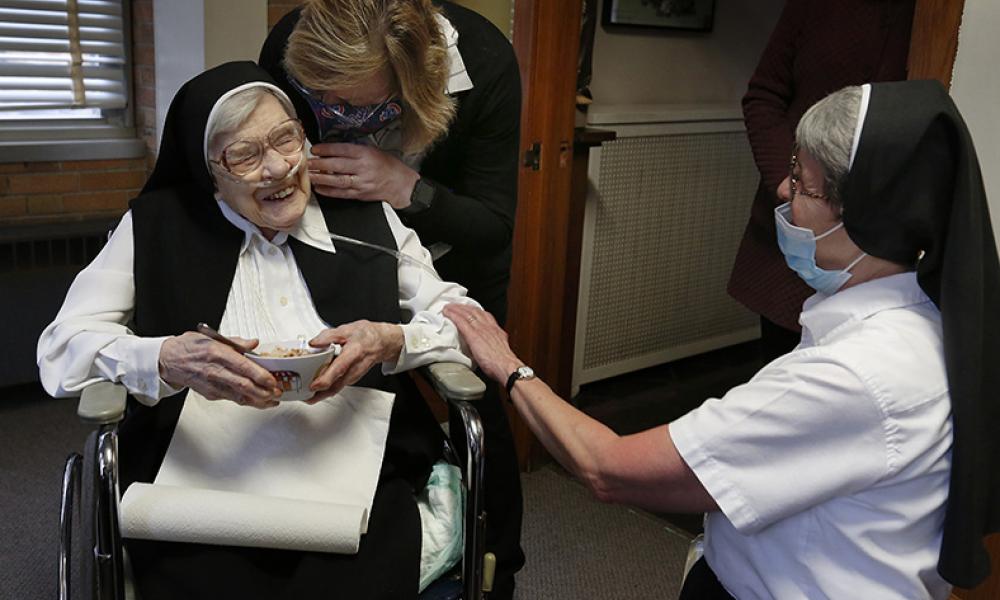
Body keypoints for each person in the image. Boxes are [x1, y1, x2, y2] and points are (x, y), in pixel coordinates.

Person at [444, 81, 1000, 598]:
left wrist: (507, 365)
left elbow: (607, 467)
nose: (784, 190)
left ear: (869, 217)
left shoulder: (855, 374)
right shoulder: (923, 317)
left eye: (802, 184)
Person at [37, 61, 481, 600]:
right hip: (202, 472)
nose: (278, 168)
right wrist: (165, 358)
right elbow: (60, 350)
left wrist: (394, 340)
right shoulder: (156, 226)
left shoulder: (364, 218)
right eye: (244, 155)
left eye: (286, 139)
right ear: (209, 173)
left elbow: (460, 318)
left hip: (350, 464)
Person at [260, 1, 526, 594]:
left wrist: (405, 186)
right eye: (321, 98)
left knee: (480, 408)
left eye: (359, 106)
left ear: (415, 85)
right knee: (347, 392)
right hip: (341, 248)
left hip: (453, 255)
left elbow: (492, 226)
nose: (337, 118)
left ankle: (497, 568)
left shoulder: (484, 63)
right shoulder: (293, 44)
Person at [730, 0, 916, 361]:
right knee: (782, 372)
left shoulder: (937, 17)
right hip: (801, 233)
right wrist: (793, 182)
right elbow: (764, 95)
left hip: (885, 251)